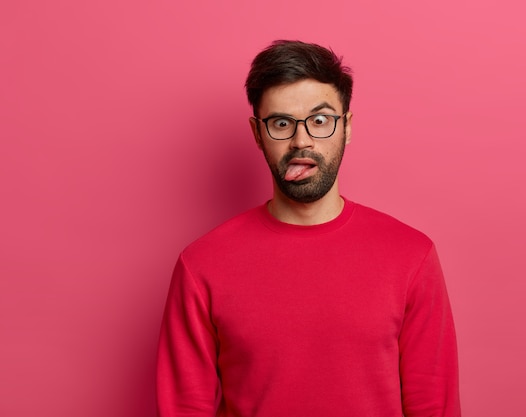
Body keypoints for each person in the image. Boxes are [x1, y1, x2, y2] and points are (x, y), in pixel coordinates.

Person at [157, 40, 461, 417]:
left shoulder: (411, 256)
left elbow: (434, 405)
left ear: (346, 127)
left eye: (320, 121)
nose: (302, 141)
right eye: (281, 123)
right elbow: (185, 407)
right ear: (257, 134)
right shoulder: (201, 265)